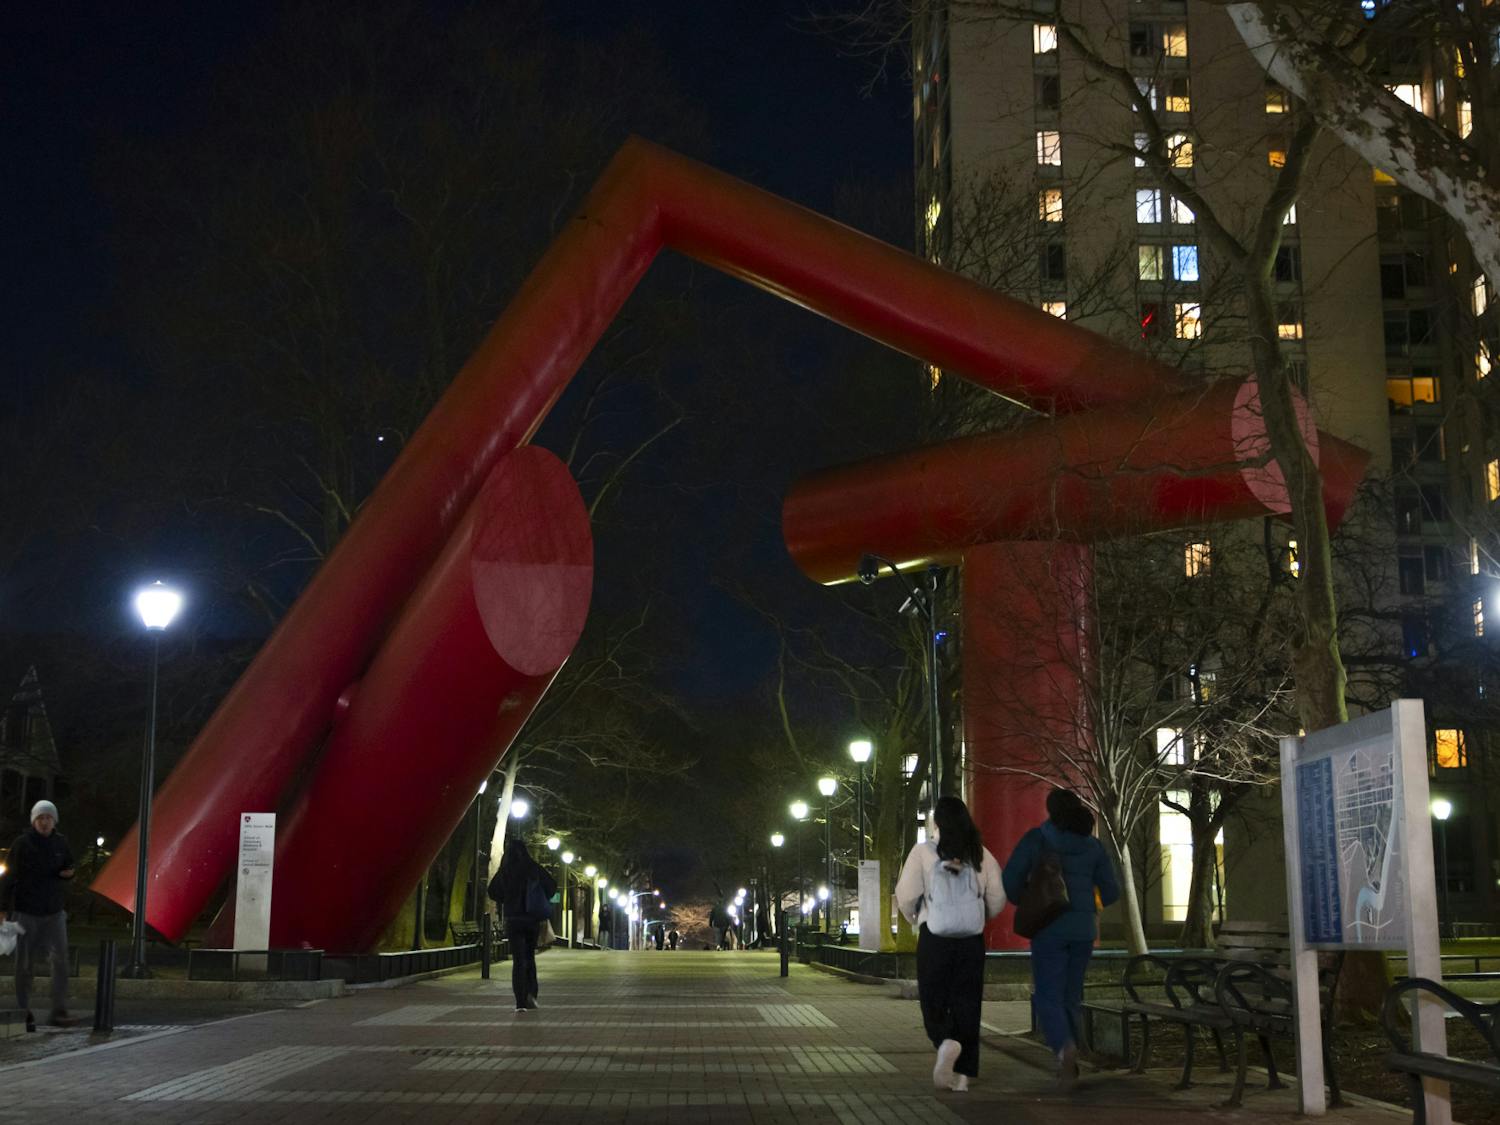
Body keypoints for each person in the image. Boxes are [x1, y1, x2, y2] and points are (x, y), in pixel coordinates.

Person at [1002, 787, 1121, 1091]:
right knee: (1071, 995)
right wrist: (1088, 902)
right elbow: (1111, 891)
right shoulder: (1093, 846)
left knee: (1047, 996)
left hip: (1049, 928)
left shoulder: (1037, 840)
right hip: (1083, 932)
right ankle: (1073, 1053)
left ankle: (1063, 1048)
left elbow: (1010, 879)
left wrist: (1025, 899)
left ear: (1051, 812)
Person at [895, 796, 1005, 1093]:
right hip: (971, 939)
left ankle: (945, 1041)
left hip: (935, 936)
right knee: (967, 1003)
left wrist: (914, 917)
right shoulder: (981, 854)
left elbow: (905, 894)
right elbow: (997, 897)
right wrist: (979, 916)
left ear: (937, 823)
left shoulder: (923, 852)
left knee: (933, 998)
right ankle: (963, 1077)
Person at [0, 800, 79, 1030]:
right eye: (40, 818)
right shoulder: (22, 844)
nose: (44, 822)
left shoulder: (61, 842)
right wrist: (3, 908)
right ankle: (23, 1010)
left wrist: (69, 874)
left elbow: (69, 866)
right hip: (26, 911)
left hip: (54, 911)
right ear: (34, 821)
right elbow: (9, 877)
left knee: (61, 961)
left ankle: (59, 1010)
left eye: (48, 818)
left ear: (54, 820)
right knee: (24, 965)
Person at [487, 837, 556, 1013]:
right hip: (531, 919)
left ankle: (520, 1002)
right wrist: (540, 897)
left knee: (518, 960)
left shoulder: (506, 870)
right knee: (530, 957)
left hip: (513, 920)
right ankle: (532, 993)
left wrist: (507, 900)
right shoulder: (533, 867)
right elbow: (551, 886)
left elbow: (493, 891)